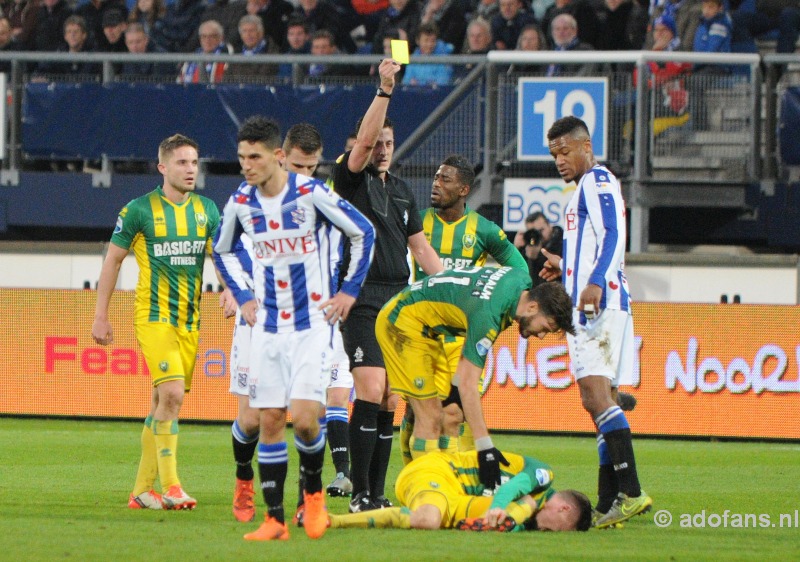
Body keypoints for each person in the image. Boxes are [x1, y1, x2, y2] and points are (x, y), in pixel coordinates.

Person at [212, 116, 375, 541]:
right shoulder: (241, 203)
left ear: (275, 156)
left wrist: (349, 291)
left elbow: (364, 233)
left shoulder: (313, 195)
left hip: (310, 327)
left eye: (255, 156)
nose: (247, 165)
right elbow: (222, 248)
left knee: (304, 420)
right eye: (242, 156)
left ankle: (314, 498)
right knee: (267, 420)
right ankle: (275, 519)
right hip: (266, 326)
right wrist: (244, 295)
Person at [330, 58, 444, 513]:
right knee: (371, 388)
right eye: (377, 141)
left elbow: (422, 250)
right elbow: (360, 148)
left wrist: (457, 288)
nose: (382, 148)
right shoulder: (348, 178)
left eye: (389, 142)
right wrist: (385, 89)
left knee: (392, 399)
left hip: (400, 302)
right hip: (361, 298)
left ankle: (375, 494)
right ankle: (359, 493)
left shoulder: (401, 190)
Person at [92, 134, 220, 512]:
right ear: (163, 167)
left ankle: (141, 492)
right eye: (182, 162)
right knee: (173, 395)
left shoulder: (208, 210)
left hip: (189, 321)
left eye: (195, 162)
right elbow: (113, 261)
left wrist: (232, 291)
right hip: (153, 317)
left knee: (160, 401)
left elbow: (225, 258)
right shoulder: (139, 210)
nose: (191, 169)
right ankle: (173, 485)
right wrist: (100, 315)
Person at [540, 115, 652, 529]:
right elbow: (593, 243)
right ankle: (609, 504)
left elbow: (612, 234)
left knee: (594, 397)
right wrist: (564, 265)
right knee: (600, 401)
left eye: (565, 152)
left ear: (585, 146)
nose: (560, 161)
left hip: (597, 306)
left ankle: (632, 492)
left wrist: (593, 282)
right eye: (554, 155)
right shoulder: (585, 189)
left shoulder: (597, 180)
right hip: (599, 301)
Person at [377, 267, 575, 490]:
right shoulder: (488, 315)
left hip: (427, 329)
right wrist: (485, 448)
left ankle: (448, 486)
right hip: (403, 323)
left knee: (451, 414)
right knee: (430, 418)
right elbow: (467, 383)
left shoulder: (520, 278)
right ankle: (427, 492)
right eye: (545, 327)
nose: (540, 336)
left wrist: (454, 392)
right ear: (532, 306)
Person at [398, 154, 528, 465]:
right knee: (416, 413)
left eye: (445, 179)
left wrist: (498, 310)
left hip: (461, 338)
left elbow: (520, 272)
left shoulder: (484, 231)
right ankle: (415, 476)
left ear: (464, 190)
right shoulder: (416, 222)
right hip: (420, 333)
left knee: (454, 412)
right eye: (436, 177)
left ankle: (451, 479)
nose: (436, 184)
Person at [329, 450, 592, 532]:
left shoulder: (527, 513)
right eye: (552, 528)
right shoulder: (544, 477)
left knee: (432, 520)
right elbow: (513, 488)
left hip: (456, 496)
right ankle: (332, 520)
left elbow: (519, 511)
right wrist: (496, 509)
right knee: (428, 519)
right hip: (439, 471)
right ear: (564, 508)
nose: (544, 531)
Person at [34, 15, 101, 78]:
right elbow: (42, 70)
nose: (72, 35)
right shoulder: (59, 55)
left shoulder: (93, 56)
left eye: (76, 31)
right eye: (69, 32)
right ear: (65, 37)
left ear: (84, 35)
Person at [226, 14, 279, 80]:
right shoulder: (236, 52)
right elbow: (228, 79)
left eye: (251, 31)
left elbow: (264, 77)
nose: (248, 35)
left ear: (261, 32)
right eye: (244, 31)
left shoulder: (272, 52)